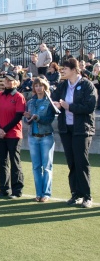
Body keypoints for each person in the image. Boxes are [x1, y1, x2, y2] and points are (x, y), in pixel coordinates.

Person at [52, 58, 96, 208]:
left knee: (81, 162)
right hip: (66, 129)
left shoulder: (87, 85)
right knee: (72, 163)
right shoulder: (63, 85)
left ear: (73, 69)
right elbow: (53, 99)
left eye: (65, 68)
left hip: (82, 129)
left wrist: (68, 106)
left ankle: (87, 196)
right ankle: (75, 194)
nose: (62, 70)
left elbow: (89, 107)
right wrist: (57, 104)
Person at [0, 72, 26, 199]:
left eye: (10, 80)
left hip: (13, 134)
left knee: (14, 162)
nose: (7, 81)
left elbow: (18, 116)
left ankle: (17, 190)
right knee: (2, 162)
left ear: (16, 82)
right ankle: (3, 189)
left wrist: (4, 129)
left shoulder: (19, 96)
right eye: (6, 79)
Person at [24, 77, 55, 202]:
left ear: (45, 86)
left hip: (46, 136)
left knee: (47, 167)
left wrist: (37, 118)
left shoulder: (49, 102)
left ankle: (46, 193)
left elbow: (49, 120)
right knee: (36, 167)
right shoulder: (30, 102)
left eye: (40, 85)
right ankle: (38, 193)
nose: (38, 88)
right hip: (33, 137)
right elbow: (27, 121)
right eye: (36, 86)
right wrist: (28, 118)